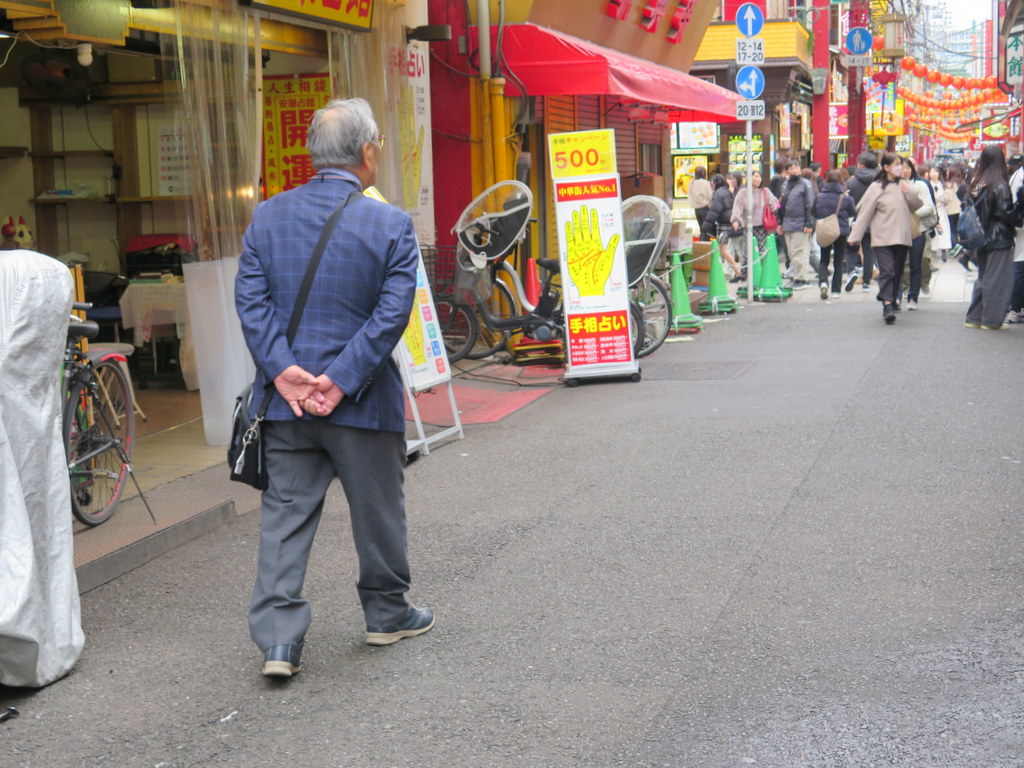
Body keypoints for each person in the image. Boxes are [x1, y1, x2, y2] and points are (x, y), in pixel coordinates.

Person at [235, 97, 432, 679]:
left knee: (285, 519)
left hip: (287, 404)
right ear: (368, 153)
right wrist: (341, 380)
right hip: (363, 404)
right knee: (378, 514)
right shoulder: (391, 224)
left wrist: (284, 372)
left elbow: (252, 302)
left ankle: (278, 642)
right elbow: (391, 314)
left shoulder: (267, 217)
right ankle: (386, 615)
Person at [0, 248, 84, 688]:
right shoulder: (44, 276)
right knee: (39, 525)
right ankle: (43, 632)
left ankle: (17, 635)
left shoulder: (12, 279)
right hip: (34, 421)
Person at [847, 152, 921, 324]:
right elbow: (865, 213)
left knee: (897, 272)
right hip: (882, 237)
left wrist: (908, 191)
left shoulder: (905, 185)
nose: (900, 168)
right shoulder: (876, 187)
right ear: (886, 167)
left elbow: (918, 205)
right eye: (897, 164)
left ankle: (893, 298)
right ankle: (887, 304)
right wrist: (855, 236)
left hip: (902, 236)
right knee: (887, 270)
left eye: (901, 165)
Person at [962, 145, 1019, 330]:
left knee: (984, 277)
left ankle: (974, 317)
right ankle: (991, 320)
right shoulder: (1000, 184)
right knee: (997, 279)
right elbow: (1006, 214)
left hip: (980, 237)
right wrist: (1020, 206)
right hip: (999, 236)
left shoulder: (977, 182)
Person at [812, 169, 856, 299]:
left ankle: (823, 282)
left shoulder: (820, 197)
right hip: (841, 232)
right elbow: (852, 213)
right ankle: (836, 290)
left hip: (825, 230)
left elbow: (814, 212)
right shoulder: (846, 198)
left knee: (824, 259)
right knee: (838, 260)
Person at [900, 157, 937, 311]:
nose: (905, 170)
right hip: (899, 231)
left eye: (908, 167)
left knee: (917, 263)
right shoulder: (893, 185)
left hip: (918, 230)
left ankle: (913, 297)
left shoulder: (920, 185)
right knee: (899, 264)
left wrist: (912, 214)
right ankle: (899, 294)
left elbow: (929, 206)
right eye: (902, 167)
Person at [730, 169, 779, 277]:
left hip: (762, 226)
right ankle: (744, 274)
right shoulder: (743, 193)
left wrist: (778, 209)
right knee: (748, 251)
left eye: (759, 177)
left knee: (761, 250)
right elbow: (737, 207)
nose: (757, 179)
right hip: (748, 226)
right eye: (755, 176)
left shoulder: (765, 191)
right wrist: (736, 220)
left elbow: (774, 203)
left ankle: (762, 273)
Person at [844, 151, 879, 293]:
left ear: (861, 164)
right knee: (869, 252)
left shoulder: (851, 182)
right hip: (874, 221)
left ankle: (851, 270)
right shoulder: (880, 182)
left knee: (851, 248)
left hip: (855, 220)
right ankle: (866, 283)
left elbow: (845, 202)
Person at [778, 160, 815, 288]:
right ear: (787, 171)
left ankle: (802, 279)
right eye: (791, 168)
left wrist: (809, 224)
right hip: (788, 223)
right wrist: (780, 222)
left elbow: (810, 204)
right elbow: (781, 205)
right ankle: (798, 277)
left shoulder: (806, 184)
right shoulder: (785, 184)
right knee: (792, 253)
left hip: (800, 224)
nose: (794, 170)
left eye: (796, 168)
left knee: (800, 252)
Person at [702, 173, 742, 278]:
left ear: (714, 183)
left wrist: (706, 225)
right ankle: (725, 272)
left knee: (724, 251)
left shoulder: (718, 194)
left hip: (724, 225)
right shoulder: (726, 191)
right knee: (723, 250)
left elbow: (714, 211)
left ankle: (738, 272)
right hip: (730, 224)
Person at [1007, 158, 1024, 324]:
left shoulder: (1017, 175)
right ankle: (1016, 308)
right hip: (1021, 226)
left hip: (1018, 224)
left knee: (1019, 265)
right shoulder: (1019, 176)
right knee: (1020, 266)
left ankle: (1016, 307)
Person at [928, 165, 952, 264]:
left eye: (935, 172)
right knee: (932, 232)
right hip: (931, 211)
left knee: (943, 231)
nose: (933, 174)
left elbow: (948, 200)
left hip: (941, 211)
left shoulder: (944, 185)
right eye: (932, 171)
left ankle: (944, 251)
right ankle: (932, 251)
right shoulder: (927, 184)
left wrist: (945, 196)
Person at [688, 166, 713, 239]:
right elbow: (710, 196)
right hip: (705, 208)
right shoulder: (705, 183)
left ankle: (701, 246)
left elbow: (689, 195)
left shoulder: (691, 183)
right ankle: (705, 246)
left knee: (701, 229)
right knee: (707, 230)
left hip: (696, 209)